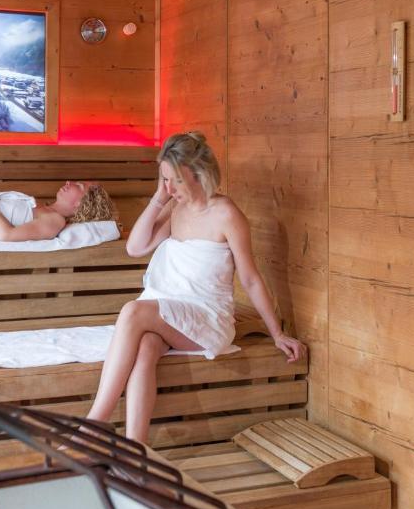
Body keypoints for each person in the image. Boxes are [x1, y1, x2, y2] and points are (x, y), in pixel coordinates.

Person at [85, 131, 306, 444]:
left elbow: (250, 278)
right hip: (171, 313)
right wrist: (158, 198)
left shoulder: (226, 214)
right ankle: (136, 449)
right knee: (145, 347)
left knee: (133, 312)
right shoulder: (175, 208)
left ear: (199, 173)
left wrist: (277, 333)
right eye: (164, 180)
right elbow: (135, 248)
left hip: (207, 318)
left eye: (175, 180)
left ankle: (93, 424)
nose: (169, 189)